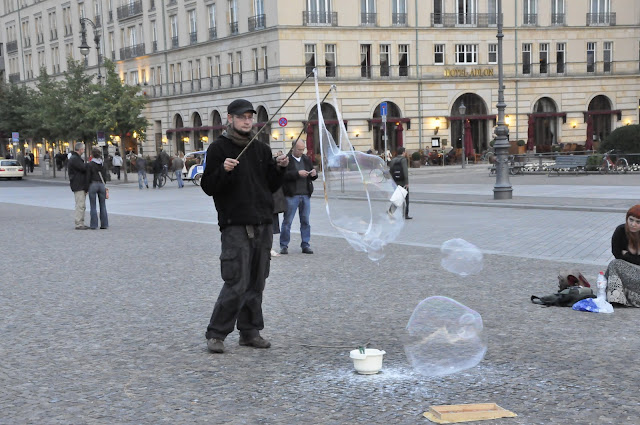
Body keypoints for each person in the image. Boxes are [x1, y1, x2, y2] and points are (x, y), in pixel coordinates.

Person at [200, 98, 289, 354]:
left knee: (257, 282)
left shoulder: (261, 148)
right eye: (242, 117)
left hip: (262, 222)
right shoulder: (218, 149)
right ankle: (216, 334)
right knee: (237, 281)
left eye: (250, 117)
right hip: (235, 224)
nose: (247, 121)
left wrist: (280, 168)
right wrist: (223, 170)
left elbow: (270, 185)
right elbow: (209, 186)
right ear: (230, 118)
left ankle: (250, 332)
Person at [280, 139, 318, 255]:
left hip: (305, 194)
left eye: (303, 149)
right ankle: (284, 245)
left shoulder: (306, 159)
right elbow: (283, 175)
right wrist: (297, 174)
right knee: (287, 221)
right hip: (292, 195)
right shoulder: (287, 160)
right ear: (293, 148)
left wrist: (314, 174)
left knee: (305, 221)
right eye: (299, 149)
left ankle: (305, 244)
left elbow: (311, 175)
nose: (301, 152)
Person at [606, 205, 640, 307]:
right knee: (614, 264)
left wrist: (626, 254)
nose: (633, 224)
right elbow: (616, 253)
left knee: (616, 265)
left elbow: (622, 256)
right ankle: (616, 299)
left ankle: (627, 297)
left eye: (638, 222)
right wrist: (634, 258)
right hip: (628, 271)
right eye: (631, 220)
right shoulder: (620, 230)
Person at [68, 142, 89, 230]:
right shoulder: (75, 159)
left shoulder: (75, 158)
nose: (83, 151)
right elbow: (83, 168)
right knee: (80, 205)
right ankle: (79, 223)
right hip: (78, 184)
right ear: (80, 149)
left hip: (79, 184)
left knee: (82, 205)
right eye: (83, 149)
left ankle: (81, 222)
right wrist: (88, 165)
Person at [87, 148, 109, 230]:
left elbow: (88, 176)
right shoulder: (103, 164)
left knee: (93, 206)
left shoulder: (90, 164)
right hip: (101, 184)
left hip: (93, 184)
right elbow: (105, 175)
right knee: (103, 205)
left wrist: (86, 187)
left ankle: (94, 225)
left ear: (92, 155)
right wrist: (104, 183)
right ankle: (104, 224)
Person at [388, 146, 411, 219]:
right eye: (405, 152)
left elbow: (390, 171)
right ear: (403, 152)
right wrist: (407, 183)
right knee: (406, 199)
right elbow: (405, 172)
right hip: (402, 182)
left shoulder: (393, 160)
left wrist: (392, 180)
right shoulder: (403, 160)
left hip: (395, 181)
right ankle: (405, 214)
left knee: (397, 197)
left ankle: (391, 211)